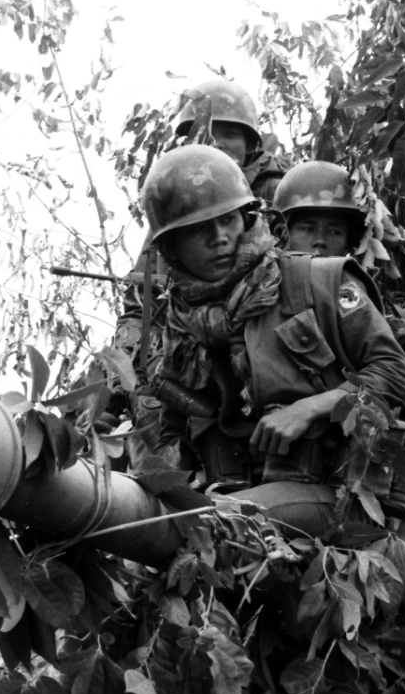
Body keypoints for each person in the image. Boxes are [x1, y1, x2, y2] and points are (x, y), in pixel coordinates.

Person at [140, 145, 405, 487]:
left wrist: (312, 407)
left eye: (227, 219)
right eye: (199, 229)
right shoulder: (182, 321)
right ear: (171, 247)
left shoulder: (318, 280)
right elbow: (173, 430)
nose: (220, 238)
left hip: (332, 486)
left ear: (247, 218)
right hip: (236, 491)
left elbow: (396, 374)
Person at [109, 79, 287, 468]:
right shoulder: (174, 204)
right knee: (151, 398)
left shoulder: (281, 190)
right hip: (190, 335)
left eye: (228, 133)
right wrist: (127, 373)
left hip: (265, 331)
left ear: (251, 142)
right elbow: (140, 305)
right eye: (204, 133)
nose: (216, 143)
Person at [272, 160, 405, 394]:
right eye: (307, 229)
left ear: (349, 242)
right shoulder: (260, 285)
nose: (320, 240)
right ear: (281, 233)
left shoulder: (342, 289)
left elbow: (383, 330)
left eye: (334, 231)